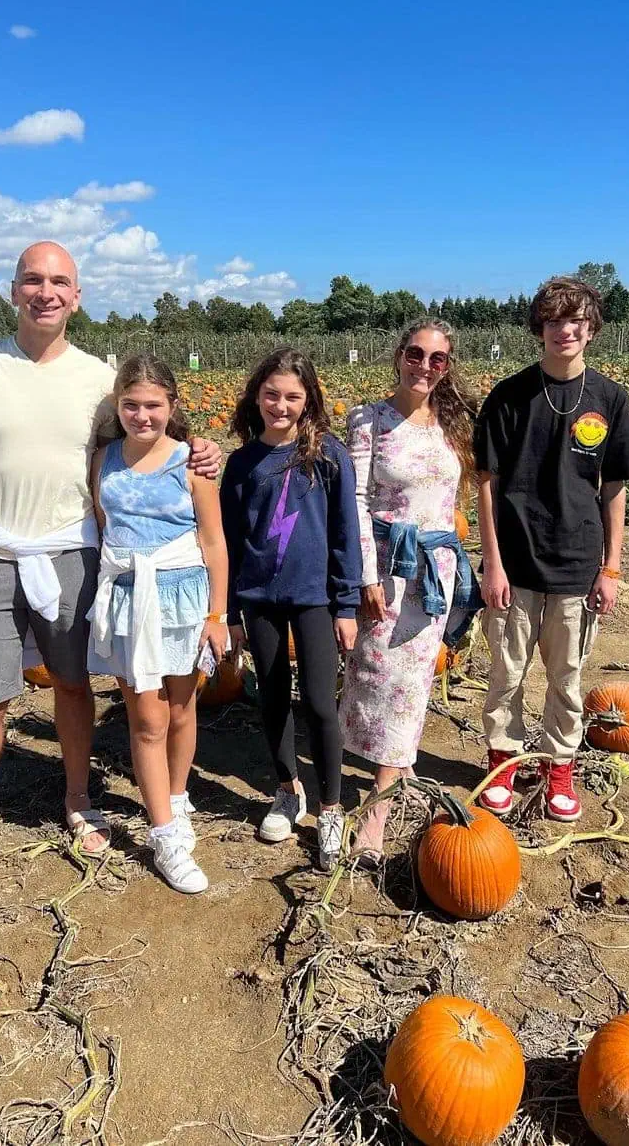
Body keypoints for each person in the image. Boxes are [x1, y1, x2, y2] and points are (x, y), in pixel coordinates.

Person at [0, 241, 221, 884]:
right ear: (14, 289)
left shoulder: (98, 379)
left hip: (76, 551)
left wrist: (201, 450)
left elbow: (144, 438)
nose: (45, 292)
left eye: (59, 282)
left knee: (74, 682)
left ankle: (78, 797)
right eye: (33, 280)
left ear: (76, 296)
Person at [474, 276, 629, 822]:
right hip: (516, 563)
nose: (563, 330)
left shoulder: (610, 398)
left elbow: (614, 488)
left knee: (566, 676)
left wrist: (611, 568)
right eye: (552, 321)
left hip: (577, 562)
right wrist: (492, 562)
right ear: (539, 330)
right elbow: (487, 483)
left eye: (574, 321)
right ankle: (503, 760)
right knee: (506, 671)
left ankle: (559, 767)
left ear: (590, 329)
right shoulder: (509, 395)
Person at [339, 320, 482, 861]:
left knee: (414, 678)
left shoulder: (454, 424)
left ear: (448, 366)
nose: (425, 366)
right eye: (416, 354)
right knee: (375, 674)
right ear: (399, 356)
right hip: (386, 564)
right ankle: (393, 765)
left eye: (437, 359)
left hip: (437, 569)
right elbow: (354, 501)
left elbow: (465, 496)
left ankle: (381, 797)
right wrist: (367, 575)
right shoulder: (369, 420)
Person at [87, 355, 229, 894]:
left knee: (182, 707)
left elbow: (214, 543)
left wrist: (217, 615)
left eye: (153, 405)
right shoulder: (103, 459)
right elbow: (106, 533)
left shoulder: (192, 463)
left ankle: (176, 795)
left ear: (172, 407)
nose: (142, 415)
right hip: (129, 597)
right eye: (131, 405)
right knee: (146, 719)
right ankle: (164, 835)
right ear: (117, 406)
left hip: (184, 598)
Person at [221, 347, 362, 872]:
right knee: (273, 696)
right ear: (257, 397)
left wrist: (345, 603)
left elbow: (346, 533)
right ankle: (287, 790)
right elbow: (231, 543)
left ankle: (331, 807)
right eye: (272, 395)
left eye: (292, 397)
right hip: (258, 600)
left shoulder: (328, 456)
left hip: (315, 599)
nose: (281, 405)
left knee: (322, 704)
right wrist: (230, 611)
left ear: (308, 401)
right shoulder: (242, 463)